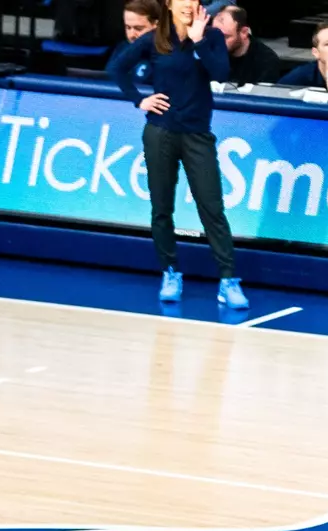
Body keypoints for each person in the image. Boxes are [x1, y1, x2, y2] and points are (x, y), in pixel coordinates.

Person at [108, 0, 248, 310]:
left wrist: (199, 41)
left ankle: (227, 280)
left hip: (197, 135)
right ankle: (170, 273)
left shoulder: (210, 37)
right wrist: (138, 100)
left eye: (194, 0)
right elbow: (116, 67)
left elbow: (221, 74)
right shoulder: (155, 39)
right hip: (161, 133)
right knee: (161, 207)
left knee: (212, 208)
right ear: (169, 4)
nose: (188, 4)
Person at [212, 4, 279, 84]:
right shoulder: (209, 51)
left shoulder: (266, 61)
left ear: (244, 32)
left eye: (225, 37)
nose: (218, 42)